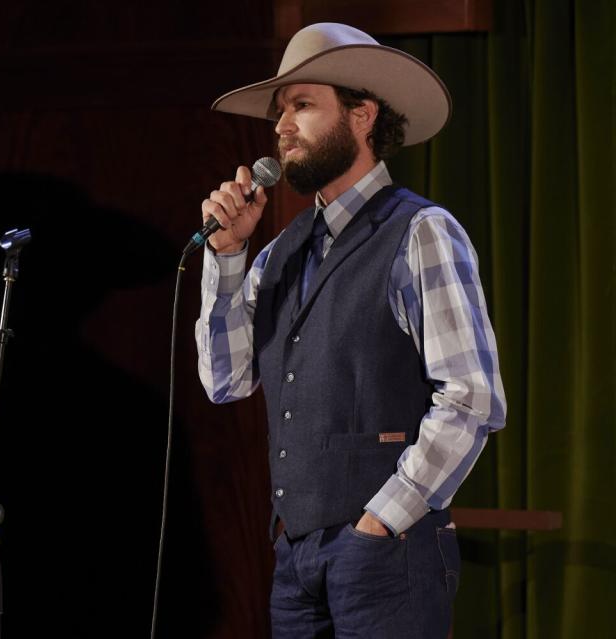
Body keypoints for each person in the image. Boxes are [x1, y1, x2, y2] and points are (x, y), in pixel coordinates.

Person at [195, 23, 506, 638]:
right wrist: (226, 258)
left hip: (387, 557)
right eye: (280, 111)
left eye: (303, 105)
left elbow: (471, 397)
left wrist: (382, 522)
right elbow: (225, 380)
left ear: (362, 116)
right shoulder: (278, 253)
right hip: (295, 560)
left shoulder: (421, 232)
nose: (282, 126)